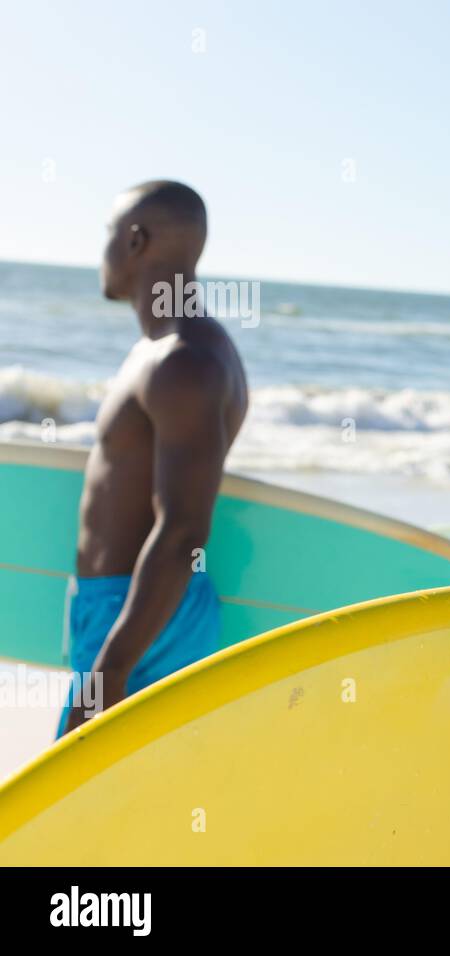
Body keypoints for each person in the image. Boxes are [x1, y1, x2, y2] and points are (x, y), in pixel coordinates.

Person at [56, 181, 249, 738]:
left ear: (136, 240)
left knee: (78, 814)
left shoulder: (183, 361)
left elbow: (183, 529)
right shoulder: (169, 350)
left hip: (139, 621)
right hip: (124, 611)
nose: (103, 252)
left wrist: (108, 671)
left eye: (109, 234)